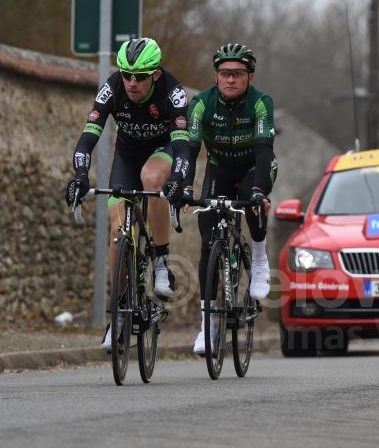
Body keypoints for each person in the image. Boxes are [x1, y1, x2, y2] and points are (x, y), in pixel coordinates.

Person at [65, 37, 190, 350]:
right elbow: (87, 137)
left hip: (163, 150)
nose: (132, 83)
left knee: (151, 179)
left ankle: (161, 259)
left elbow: (184, 146)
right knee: (118, 229)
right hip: (127, 154)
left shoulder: (172, 92)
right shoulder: (113, 87)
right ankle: (118, 315)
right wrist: (80, 175)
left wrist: (177, 178)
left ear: (155, 74)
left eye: (140, 76)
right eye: (127, 75)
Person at [182, 43, 277, 354]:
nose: (231, 79)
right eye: (225, 74)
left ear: (249, 76)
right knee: (209, 244)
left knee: (253, 202)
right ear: (216, 76)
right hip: (219, 169)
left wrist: (260, 190)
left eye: (237, 73)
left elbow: (264, 150)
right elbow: (190, 148)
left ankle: (260, 259)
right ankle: (207, 325)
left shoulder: (261, 103)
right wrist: (183, 185)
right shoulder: (201, 104)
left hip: (254, 168)